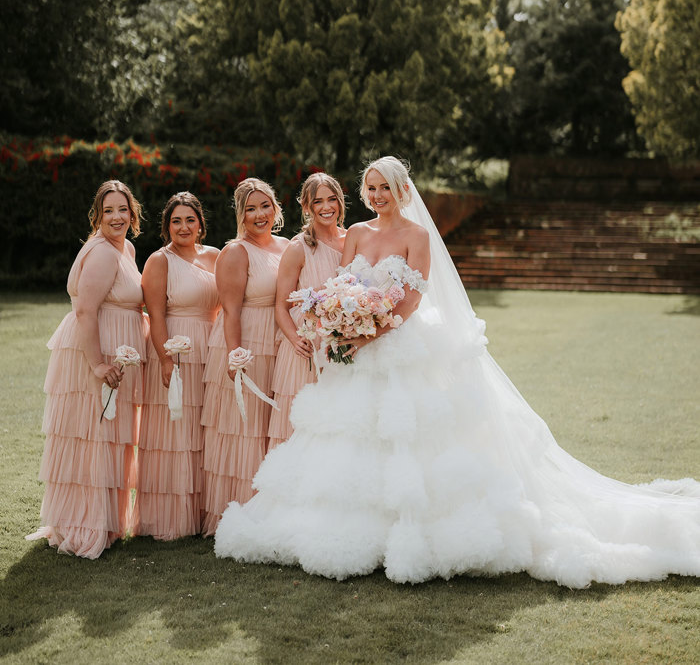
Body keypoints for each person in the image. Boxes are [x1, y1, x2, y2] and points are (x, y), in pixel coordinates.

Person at [215, 156, 700, 587]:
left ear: (402, 190)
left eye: (385, 187)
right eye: (372, 187)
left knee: (410, 436)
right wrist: (342, 322)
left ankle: (414, 530)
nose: (377, 195)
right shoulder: (358, 234)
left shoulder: (417, 235)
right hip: (354, 350)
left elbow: (412, 297)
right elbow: (344, 285)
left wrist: (370, 332)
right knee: (349, 436)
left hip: (398, 344)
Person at [27, 180, 147, 559]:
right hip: (96, 349)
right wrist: (97, 363)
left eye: (122, 209)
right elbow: (85, 311)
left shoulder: (125, 247)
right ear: (97, 215)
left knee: (105, 436)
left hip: (116, 347)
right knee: (93, 435)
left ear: (133, 212)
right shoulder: (102, 254)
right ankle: (85, 524)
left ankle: (103, 521)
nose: (116, 217)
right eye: (108, 210)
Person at [200, 178, 289, 535]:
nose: (259, 215)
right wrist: (236, 357)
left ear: (276, 208)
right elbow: (230, 310)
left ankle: (271, 509)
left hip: (278, 342)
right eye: (250, 209)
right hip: (247, 342)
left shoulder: (286, 246)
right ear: (240, 215)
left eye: (264, 206)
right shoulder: (235, 252)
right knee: (244, 428)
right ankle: (236, 513)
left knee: (271, 427)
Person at [135, 192, 220, 540]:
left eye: (190, 219)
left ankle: (204, 510)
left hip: (209, 349)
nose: (183, 227)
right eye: (176, 221)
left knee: (204, 430)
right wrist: (165, 360)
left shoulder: (216, 256)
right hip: (175, 349)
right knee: (176, 432)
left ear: (200, 223)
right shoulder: (159, 261)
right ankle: (170, 518)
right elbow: (155, 315)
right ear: (166, 226)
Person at [268, 173, 347, 449]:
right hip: (305, 348)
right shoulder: (298, 248)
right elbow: (281, 304)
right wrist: (294, 339)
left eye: (332, 199)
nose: (327, 207)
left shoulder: (353, 241)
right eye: (318, 202)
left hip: (343, 344)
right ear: (307, 207)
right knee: (299, 424)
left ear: (340, 202)